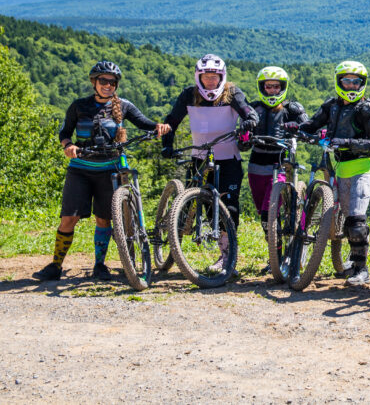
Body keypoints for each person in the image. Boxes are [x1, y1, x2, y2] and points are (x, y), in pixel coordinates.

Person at [33, 61, 170, 282]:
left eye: (112, 82)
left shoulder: (124, 106)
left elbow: (144, 123)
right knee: (69, 218)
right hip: (80, 169)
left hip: (110, 170)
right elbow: (65, 132)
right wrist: (68, 146)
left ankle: (99, 265)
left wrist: (159, 126)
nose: (108, 85)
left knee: (104, 219)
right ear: (94, 82)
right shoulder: (79, 106)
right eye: (103, 80)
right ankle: (55, 266)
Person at [160, 54, 258, 275]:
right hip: (200, 159)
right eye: (206, 77)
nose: (211, 82)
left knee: (229, 208)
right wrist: (167, 144)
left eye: (215, 77)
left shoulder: (232, 93)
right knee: (203, 206)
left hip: (229, 159)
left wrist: (249, 120)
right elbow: (171, 121)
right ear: (199, 77)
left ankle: (226, 258)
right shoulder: (189, 95)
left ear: (222, 77)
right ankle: (177, 237)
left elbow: (247, 111)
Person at [299, 61, 370, 286]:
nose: (351, 86)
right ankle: (348, 262)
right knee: (348, 224)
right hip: (341, 168)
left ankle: (361, 269)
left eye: (356, 82)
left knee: (356, 222)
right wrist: (297, 130)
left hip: (363, 168)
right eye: (347, 81)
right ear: (339, 82)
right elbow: (312, 124)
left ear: (363, 84)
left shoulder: (367, 108)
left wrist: (346, 142)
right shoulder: (332, 105)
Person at [245, 66, 309, 238]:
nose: (273, 90)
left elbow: (309, 128)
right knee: (264, 216)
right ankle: (276, 255)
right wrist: (243, 136)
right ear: (262, 87)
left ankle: (281, 257)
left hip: (281, 165)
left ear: (282, 87)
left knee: (268, 211)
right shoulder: (253, 109)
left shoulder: (292, 109)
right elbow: (242, 143)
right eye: (268, 86)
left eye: (276, 87)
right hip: (256, 167)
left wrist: (298, 128)